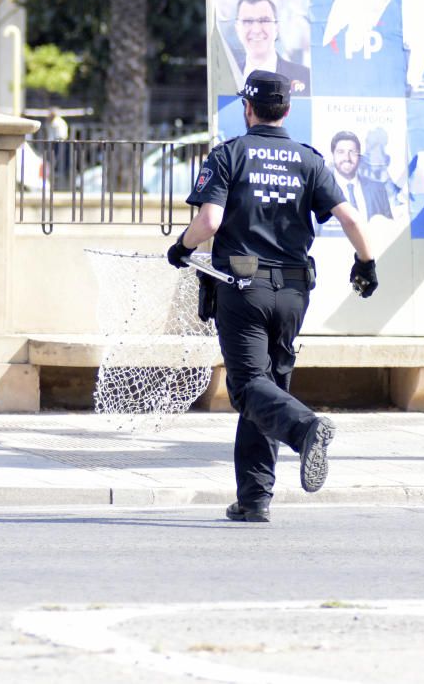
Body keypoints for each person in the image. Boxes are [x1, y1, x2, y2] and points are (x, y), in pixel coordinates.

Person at [166, 70, 377, 523]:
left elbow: (209, 222)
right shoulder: (310, 160)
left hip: (243, 287)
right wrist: (366, 263)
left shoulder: (229, 155)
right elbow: (351, 219)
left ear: (248, 107)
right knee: (268, 388)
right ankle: (254, 498)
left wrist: (181, 248)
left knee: (246, 387)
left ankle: (306, 429)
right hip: (295, 290)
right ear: (286, 110)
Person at [232, 0, 311, 96]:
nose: (256, 29)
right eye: (248, 21)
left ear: (277, 27)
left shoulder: (305, 77)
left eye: (264, 20)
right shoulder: (227, 77)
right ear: (237, 28)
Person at [325, 130, 393, 231]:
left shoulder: (378, 189)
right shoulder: (321, 190)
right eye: (341, 152)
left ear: (359, 156)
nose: (347, 158)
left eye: (352, 152)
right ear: (333, 155)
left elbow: (389, 230)